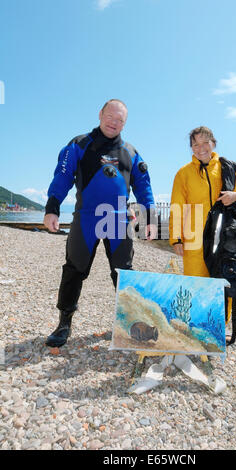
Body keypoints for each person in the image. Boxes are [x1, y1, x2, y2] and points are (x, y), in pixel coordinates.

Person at [44, 99, 157, 347]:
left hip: (118, 220)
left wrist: (149, 218)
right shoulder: (80, 144)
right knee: (74, 269)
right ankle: (64, 323)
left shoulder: (130, 151)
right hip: (86, 217)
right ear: (100, 114)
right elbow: (62, 177)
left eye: (120, 120)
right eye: (110, 117)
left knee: (124, 273)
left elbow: (143, 186)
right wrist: (52, 208)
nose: (114, 123)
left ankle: (130, 322)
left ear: (124, 123)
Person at [169, 126, 236, 328]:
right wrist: (176, 238)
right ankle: (196, 326)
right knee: (195, 283)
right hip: (194, 237)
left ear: (213, 143)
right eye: (195, 144)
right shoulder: (184, 173)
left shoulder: (230, 168)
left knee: (224, 282)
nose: (201, 148)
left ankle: (219, 328)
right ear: (191, 148)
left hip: (225, 236)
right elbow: (177, 207)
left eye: (205, 142)